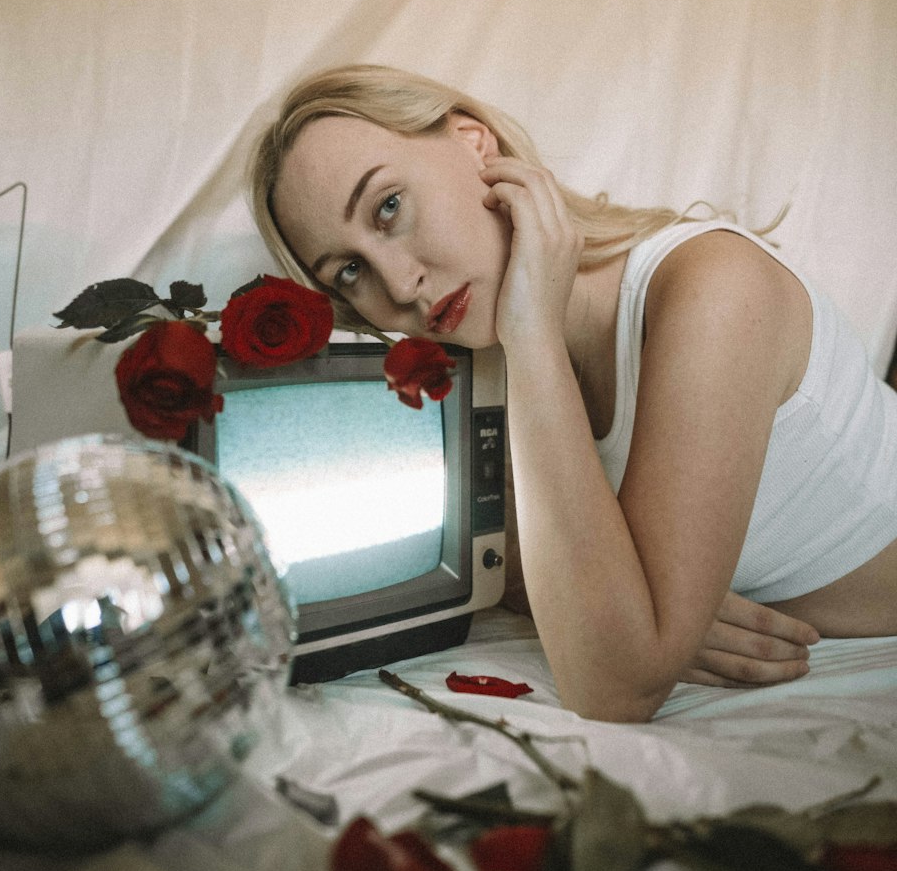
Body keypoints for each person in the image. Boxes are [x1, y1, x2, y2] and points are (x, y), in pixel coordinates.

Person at [248, 63, 897, 722]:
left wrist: (532, 332)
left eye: (389, 206)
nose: (398, 285)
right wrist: (621, 617)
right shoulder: (480, 370)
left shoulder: (714, 289)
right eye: (349, 270)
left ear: (474, 143)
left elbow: (615, 686)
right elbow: (534, 584)